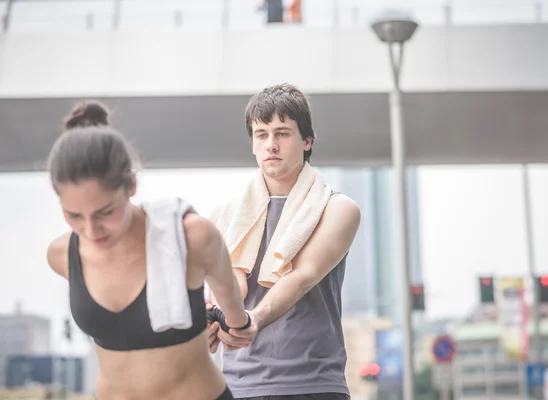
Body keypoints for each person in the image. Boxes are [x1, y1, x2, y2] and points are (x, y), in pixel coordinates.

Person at [45, 101, 249, 400]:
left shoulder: (192, 236)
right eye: (74, 215)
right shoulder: (61, 255)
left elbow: (231, 299)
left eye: (105, 212)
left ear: (131, 185)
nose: (90, 230)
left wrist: (238, 324)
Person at [207, 83, 361, 399]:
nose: (271, 144)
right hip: (238, 385)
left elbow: (302, 276)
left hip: (314, 384)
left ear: (307, 141)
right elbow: (217, 290)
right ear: (252, 143)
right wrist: (210, 322)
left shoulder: (337, 208)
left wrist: (253, 320)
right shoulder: (224, 215)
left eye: (282, 133)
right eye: (261, 134)